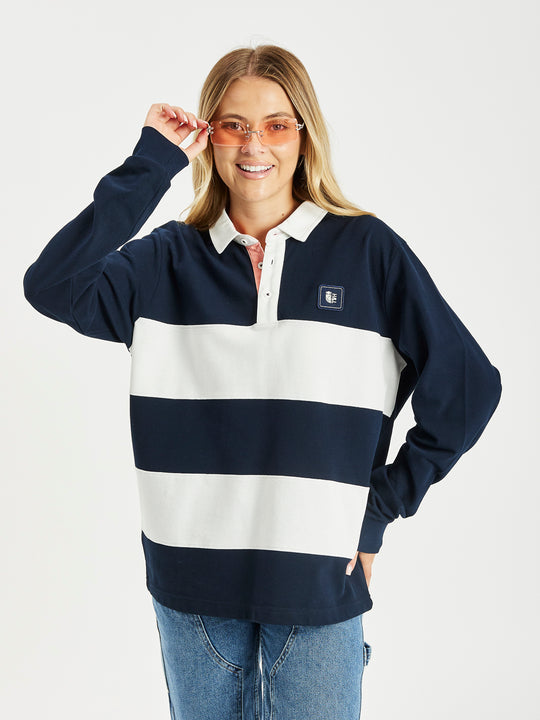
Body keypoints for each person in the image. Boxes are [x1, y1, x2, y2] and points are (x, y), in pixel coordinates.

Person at [23, 44, 502, 720]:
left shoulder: (368, 251)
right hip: (191, 587)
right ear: (210, 136)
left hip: (317, 581)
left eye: (277, 124)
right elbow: (51, 285)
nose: (255, 145)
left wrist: (378, 509)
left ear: (304, 135)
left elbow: (469, 388)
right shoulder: (165, 260)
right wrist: (152, 162)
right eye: (234, 125)